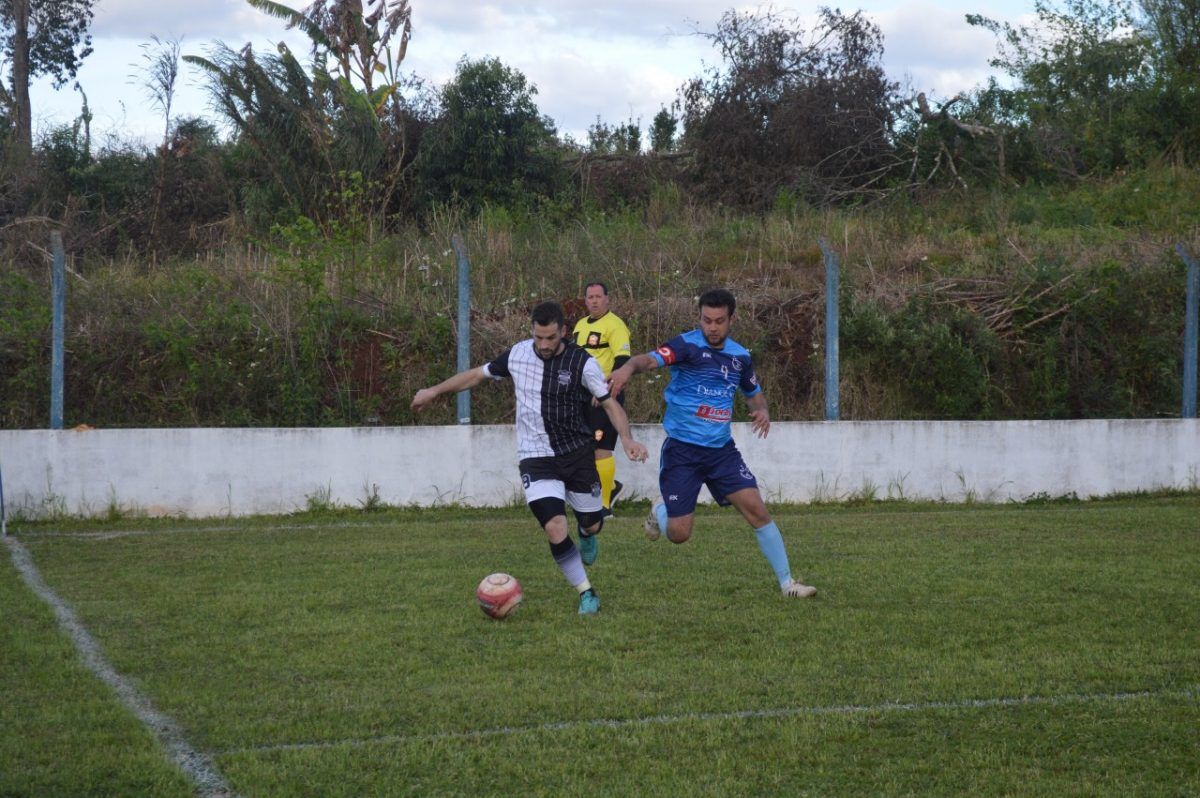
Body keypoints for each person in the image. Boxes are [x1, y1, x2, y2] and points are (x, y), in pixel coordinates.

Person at [412, 301, 649, 615]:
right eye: (538, 337)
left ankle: (587, 530)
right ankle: (586, 592)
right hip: (535, 457)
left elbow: (609, 404)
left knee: (591, 525)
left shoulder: (582, 363)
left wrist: (628, 438)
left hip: (577, 455)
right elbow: (476, 376)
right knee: (554, 526)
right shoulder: (518, 355)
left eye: (550, 338)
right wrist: (434, 390)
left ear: (563, 332)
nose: (544, 345)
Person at [608, 288, 817, 598]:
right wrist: (626, 368)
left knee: (757, 511)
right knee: (679, 535)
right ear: (700, 319)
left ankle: (787, 583)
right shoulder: (686, 346)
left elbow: (752, 392)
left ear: (731, 319)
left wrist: (761, 409)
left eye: (719, 321)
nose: (713, 327)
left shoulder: (740, 357)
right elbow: (649, 360)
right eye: (707, 320)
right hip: (683, 452)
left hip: (722, 453)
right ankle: (659, 510)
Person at [572, 282, 633, 517]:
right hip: (582, 396)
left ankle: (604, 506)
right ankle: (612, 486)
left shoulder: (615, 325)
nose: (594, 301)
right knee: (586, 449)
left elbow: (622, 362)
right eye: (590, 297)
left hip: (605, 397)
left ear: (607, 299)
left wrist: (607, 393)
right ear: (585, 300)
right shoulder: (579, 325)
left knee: (602, 448)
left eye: (598, 296)